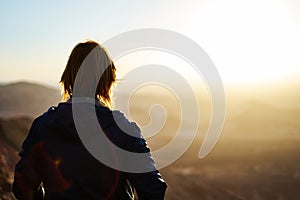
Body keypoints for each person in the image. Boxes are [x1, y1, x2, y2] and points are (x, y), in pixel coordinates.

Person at [13, 41, 167, 200]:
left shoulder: (43, 126)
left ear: (68, 77)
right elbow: (153, 189)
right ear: (108, 81)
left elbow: (22, 187)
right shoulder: (124, 129)